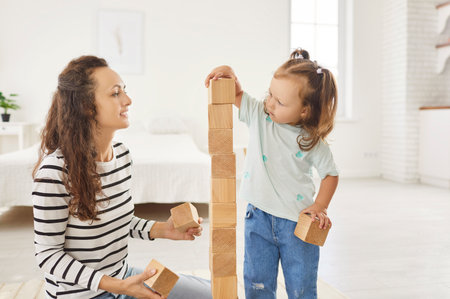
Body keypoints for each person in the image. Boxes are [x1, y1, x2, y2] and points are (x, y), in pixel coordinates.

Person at [32, 56, 212, 299]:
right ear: (86, 106)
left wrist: (164, 229)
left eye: (124, 91)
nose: (128, 100)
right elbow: (47, 255)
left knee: (211, 293)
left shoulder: (123, 156)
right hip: (83, 295)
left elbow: (119, 221)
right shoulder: (54, 173)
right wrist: (117, 286)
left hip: (123, 278)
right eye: (115, 93)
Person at [204, 49, 339, 299]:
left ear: (304, 111)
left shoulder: (311, 141)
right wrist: (230, 74)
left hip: (297, 223)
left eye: (280, 102)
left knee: (302, 288)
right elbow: (237, 94)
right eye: (270, 95)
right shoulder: (259, 116)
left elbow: (330, 174)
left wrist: (320, 205)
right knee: (257, 285)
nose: (269, 103)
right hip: (258, 218)